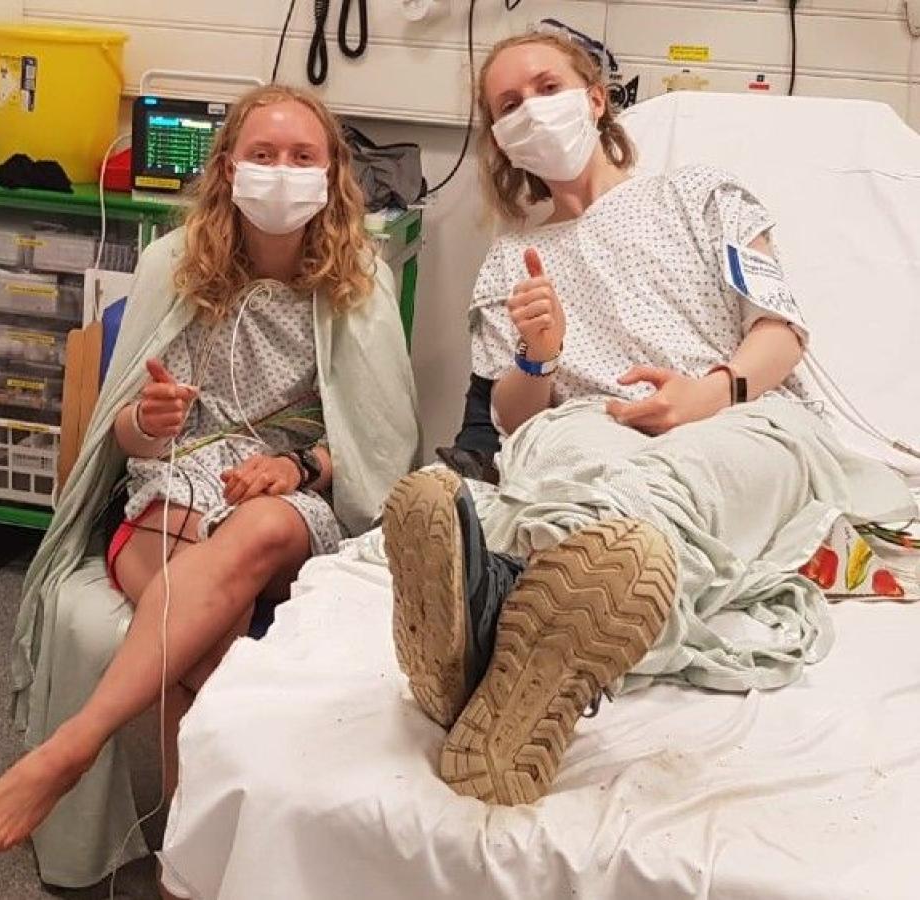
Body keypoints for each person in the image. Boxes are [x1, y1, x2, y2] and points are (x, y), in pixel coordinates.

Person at [382, 32, 915, 806]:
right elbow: (510, 418)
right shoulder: (509, 261)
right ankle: (544, 642)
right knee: (563, 466)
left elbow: (779, 331)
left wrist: (708, 394)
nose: (531, 111)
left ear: (595, 98)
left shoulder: (701, 196)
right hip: (588, 425)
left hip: (741, 416)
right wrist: (536, 357)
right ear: (498, 138)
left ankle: (491, 621)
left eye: (546, 88)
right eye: (508, 105)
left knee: (672, 488)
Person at [0, 85, 421, 884]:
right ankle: (193, 866)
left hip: (289, 501)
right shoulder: (172, 265)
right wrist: (150, 419)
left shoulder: (358, 282)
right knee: (209, 627)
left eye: (301, 156)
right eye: (262, 154)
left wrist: (295, 467)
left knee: (261, 526)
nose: (281, 171)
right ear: (228, 166)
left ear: (331, 173)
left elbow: (375, 444)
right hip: (170, 487)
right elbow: (123, 440)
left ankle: (74, 746)